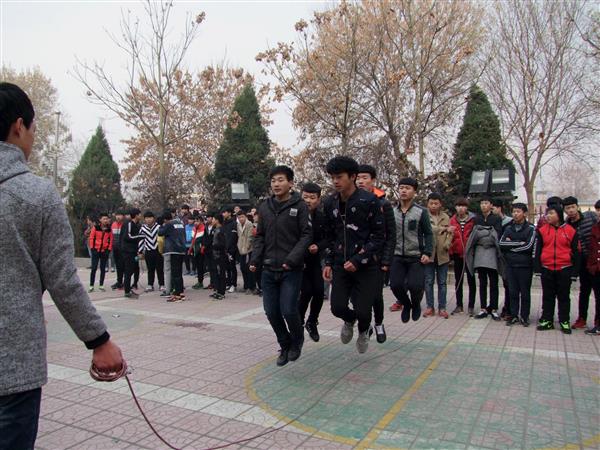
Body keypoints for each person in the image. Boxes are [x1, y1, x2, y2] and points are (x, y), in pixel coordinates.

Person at [0, 82, 124, 449]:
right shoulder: (35, 195)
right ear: (18, 127)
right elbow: (62, 280)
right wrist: (99, 340)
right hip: (11, 366)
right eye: (33, 128)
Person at [250, 165, 312, 366]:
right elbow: (260, 235)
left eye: (281, 180)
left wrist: (292, 259)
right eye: (273, 180)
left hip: (291, 269)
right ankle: (285, 345)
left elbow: (306, 235)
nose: (276, 184)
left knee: (288, 310)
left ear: (290, 183)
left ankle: (297, 341)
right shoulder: (265, 207)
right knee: (271, 311)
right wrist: (255, 259)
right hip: (268, 269)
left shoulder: (300, 206)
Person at [323, 157, 385, 354]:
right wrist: (328, 262)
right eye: (332, 177)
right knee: (337, 307)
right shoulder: (330, 203)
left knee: (364, 310)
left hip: (366, 266)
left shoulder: (369, 201)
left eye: (339, 177)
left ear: (352, 176)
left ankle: (364, 329)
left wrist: (358, 259)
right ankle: (349, 320)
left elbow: (379, 236)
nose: (335, 181)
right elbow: (329, 235)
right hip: (340, 264)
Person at [356, 165, 396, 343]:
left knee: (376, 295)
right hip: (356, 257)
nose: (360, 181)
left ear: (373, 180)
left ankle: (379, 323)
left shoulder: (383, 204)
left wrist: (386, 260)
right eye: (358, 178)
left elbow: (391, 235)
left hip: (376, 258)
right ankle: (366, 324)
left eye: (364, 177)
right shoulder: (350, 201)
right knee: (356, 296)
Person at [388, 177, 433, 323]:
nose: (403, 191)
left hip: (415, 256)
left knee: (415, 286)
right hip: (397, 255)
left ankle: (416, 304)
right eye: (401, 188)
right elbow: (388, 234)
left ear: (414, 192)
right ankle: (406, 304)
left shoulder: (421, 212)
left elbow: (428, 233)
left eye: (407, 188)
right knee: (395, 285)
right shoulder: (392, 212)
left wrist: (427, 252)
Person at [535, 205, 579, 334]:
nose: (548, 216)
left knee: (563, 296)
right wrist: (537, 268)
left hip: (564, 268)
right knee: (547, 296)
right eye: (547, 214)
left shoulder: (570, 230)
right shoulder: (542, 230)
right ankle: (547, 319)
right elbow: (538, 250)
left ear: (559, 215)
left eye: (551, 213)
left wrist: (575, 272)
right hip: (547, 268)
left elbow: (577, 252)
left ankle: (564, 321)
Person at [298, 182, 329, 342]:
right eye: (305, 197)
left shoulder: (322, 217)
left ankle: (312, 321)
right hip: (298, 261)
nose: (308, 201)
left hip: (315, 260)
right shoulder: (294, 215)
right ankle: (299, 321)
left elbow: (328, 238)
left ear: (318, 199)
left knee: (318, 291)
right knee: (306, 291)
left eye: (312, 197)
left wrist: (318, 246)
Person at [465, 197, 504, 320]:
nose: (483, 205)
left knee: (493, 281)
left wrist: (483, 232)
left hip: (492, 251)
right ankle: (483, 308)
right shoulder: (477, 219)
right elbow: (474, 234)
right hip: (480, 251)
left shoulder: (496, 218)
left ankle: (494, 308)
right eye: (482, 203)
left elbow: (496, 234)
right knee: (482, 282)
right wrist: (487, 232)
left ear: (491, 205)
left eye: (486, 203)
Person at [563, 196, 598, 330]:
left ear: (577, 207)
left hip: (594, 260)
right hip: (580, 261)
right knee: (584, 291)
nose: (571, 210)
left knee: (598, 291)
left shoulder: (591, 217)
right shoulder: (567, 225)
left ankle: (597, 322)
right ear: (565, 210)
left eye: (573, 207)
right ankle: (582, 318)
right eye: (568, 208)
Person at [499, 203, 536, 327]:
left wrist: (512, 246)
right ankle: (513, 315)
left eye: (518, 211)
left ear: (524, 213)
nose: (515, 214)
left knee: (525, 293)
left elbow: (529, 246)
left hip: (525, 266)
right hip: (511, 265)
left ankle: (524, 316)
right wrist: (519, 243)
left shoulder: (531, 228)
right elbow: (502, 244)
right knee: (512, 292)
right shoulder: (508, 228)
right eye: (514, 211)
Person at [423, 192, 452, 319]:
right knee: (428, 281)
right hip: (428, 254)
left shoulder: (445, 217)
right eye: (431, 203)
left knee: (442, 283)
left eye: (436, 203)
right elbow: (429, 229)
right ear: (427, 204)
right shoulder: (424, 216)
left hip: (442, 254)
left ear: (440, 204)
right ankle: (430, 307)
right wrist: (443, 229)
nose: (434, 206)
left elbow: (450, 233)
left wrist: (447, 244)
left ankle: (442, 307)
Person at [448, 198, 477, 316]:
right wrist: (451, 252)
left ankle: (471, 306)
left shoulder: (473, 220)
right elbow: (449, 238)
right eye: (458, 206)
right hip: (457, 254)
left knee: (471, 280)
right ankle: (459, 305)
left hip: (470, 255)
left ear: (467, 208)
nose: (460, 208)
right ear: (455, 207)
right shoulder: (452, 220)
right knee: (458, 280)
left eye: (463, 206)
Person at [158, 210, 187, 302]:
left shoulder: (169, 224)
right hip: (182, 250)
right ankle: (181, 293)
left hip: (173, 250)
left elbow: (160, 233)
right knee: (179, 273)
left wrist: (162, 225)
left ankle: (177, 295)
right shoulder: (180, 223)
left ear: (165, 219)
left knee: (175, 274)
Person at [492, 199, 513, 319]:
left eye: (493, 208)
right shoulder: (490, 221)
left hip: (505, 257)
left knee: (507, 283)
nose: (491, 210)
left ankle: (508, 308)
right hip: (493, 255)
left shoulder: (509, 222)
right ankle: (494, 306)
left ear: (499, 208)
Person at [120, 208, 144, 298]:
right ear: (136, 215)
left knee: (133, 269)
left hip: (133, 251)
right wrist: (140, 236)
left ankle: (130, 287)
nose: (141, 216)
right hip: (128, 251)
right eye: (139, 214)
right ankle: (127, 291)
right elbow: (128, 236)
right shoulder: (129, 223)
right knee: (128, 271)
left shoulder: (136, 225)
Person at [584, 200, 600, 335]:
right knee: (598, 298)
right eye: (598, 210)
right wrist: (591, 265)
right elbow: (592, 248)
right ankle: (598, 324)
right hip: (596, 268)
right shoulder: (595, 227)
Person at [140, 211, 165, 293]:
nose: (148, 220)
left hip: (158, 250)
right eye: (146, 218)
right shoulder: (143, 228)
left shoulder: (159, 227)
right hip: (148, 250)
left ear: (153, 218)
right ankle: (150, 284)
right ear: (144, 219)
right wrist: (140, 251)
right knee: (150, 269)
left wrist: (164, 250)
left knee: (160, 269)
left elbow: (163, 239)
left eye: (150, 218)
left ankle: (162, 284)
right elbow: (141, 240)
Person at [88, 212, 113, 292]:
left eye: (106, 219)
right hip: (96, 250)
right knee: (94, 268)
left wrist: (108, 250)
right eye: (104, 219)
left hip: (104, 251)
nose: (105, 220)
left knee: (103, 269)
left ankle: (101, 285)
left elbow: (110, 240)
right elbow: (91, 238)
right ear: (100, 220)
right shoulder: (95, 228)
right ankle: (91, 285)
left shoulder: (109, 229)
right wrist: (92, 249)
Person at [237, 210, 255, 294]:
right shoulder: (238, 225)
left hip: (249, 250)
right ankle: (246, 285)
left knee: (249, 269)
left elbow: (250, 237)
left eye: (242, 217)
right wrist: (239, 246)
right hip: (241, 250)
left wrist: (246, 248)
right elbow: (239, 236)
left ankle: (251, 287)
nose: (241, 219)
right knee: (242, 268)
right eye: (239, 217)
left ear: (245, 217)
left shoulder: (249, 224)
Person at [222, 207, 239, 293]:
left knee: (232, 267)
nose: (223, 214)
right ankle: (228, 283)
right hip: (224, 249)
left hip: (232, 249)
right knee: (227, 267)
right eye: (223, 212)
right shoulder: (224, 223)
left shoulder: (234, 223)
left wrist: (229, 247)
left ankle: (233, 284)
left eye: (225, 212)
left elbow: (233, 237)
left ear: (229, 213)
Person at [211, 214, 228, 300]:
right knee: (216, 274)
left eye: (213, 219)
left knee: (221, 273)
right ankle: (218, 290)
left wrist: (214, 246)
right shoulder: (215, 230)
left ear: (217, 220)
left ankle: (222, 292)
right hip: (215, 255)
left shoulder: (221, 230)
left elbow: (223, 244)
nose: (212, 221)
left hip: (220, 255)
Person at [110, 210, 125, 290]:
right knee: (118, 266)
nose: (118, 217)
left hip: (123, 249)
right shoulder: (113, 224)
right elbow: (111, 237)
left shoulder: (125, 225)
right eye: (117, 215)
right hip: (115, 248)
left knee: (123, 266)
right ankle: (119, 282)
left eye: (120, 215)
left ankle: (125, 282)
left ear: (123, 216)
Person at [190, 215, 206, 290]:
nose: (196, 223)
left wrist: (202, 248)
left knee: (200, 267)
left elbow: (204, 241)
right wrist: (191, 250)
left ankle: (200, 282)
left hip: (201, 251)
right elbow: (192, 241)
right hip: (194, 250)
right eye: (195, 221)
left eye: (198, 221)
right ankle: (199, 281)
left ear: (201, 222)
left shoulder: (204, 229)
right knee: (197, 267)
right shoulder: (194, 229)